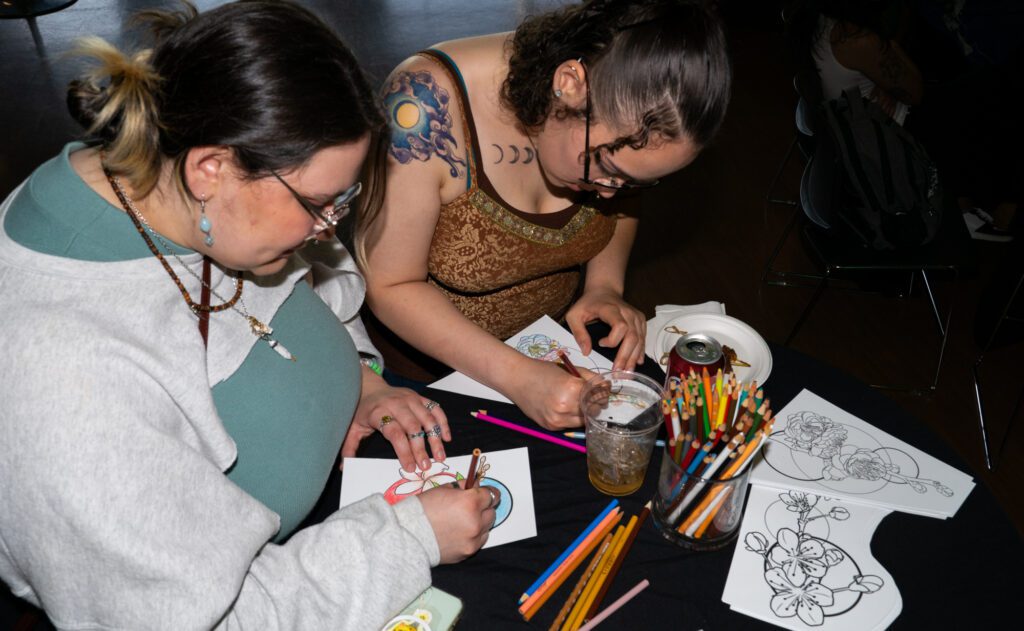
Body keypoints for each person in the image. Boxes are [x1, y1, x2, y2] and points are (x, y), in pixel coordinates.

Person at [0, 2, 497, 629]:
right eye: (318, 204)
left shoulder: (168, 189)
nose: (326, 229)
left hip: (350, 500)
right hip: (307, 578)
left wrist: (360, 379)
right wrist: (406, 537)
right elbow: (209, 618)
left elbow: (308, 290)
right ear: (212, 168)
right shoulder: (62, 382)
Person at [357, 0, 732, 429]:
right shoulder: (425, 108)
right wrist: (517, 376)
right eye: (608, 169)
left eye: (637, 183)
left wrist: (605, 285)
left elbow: (622, 199)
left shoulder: (609, 138)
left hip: (554, 354)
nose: (612, 195)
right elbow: (389, 284)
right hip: (432, 373)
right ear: (569, 83)